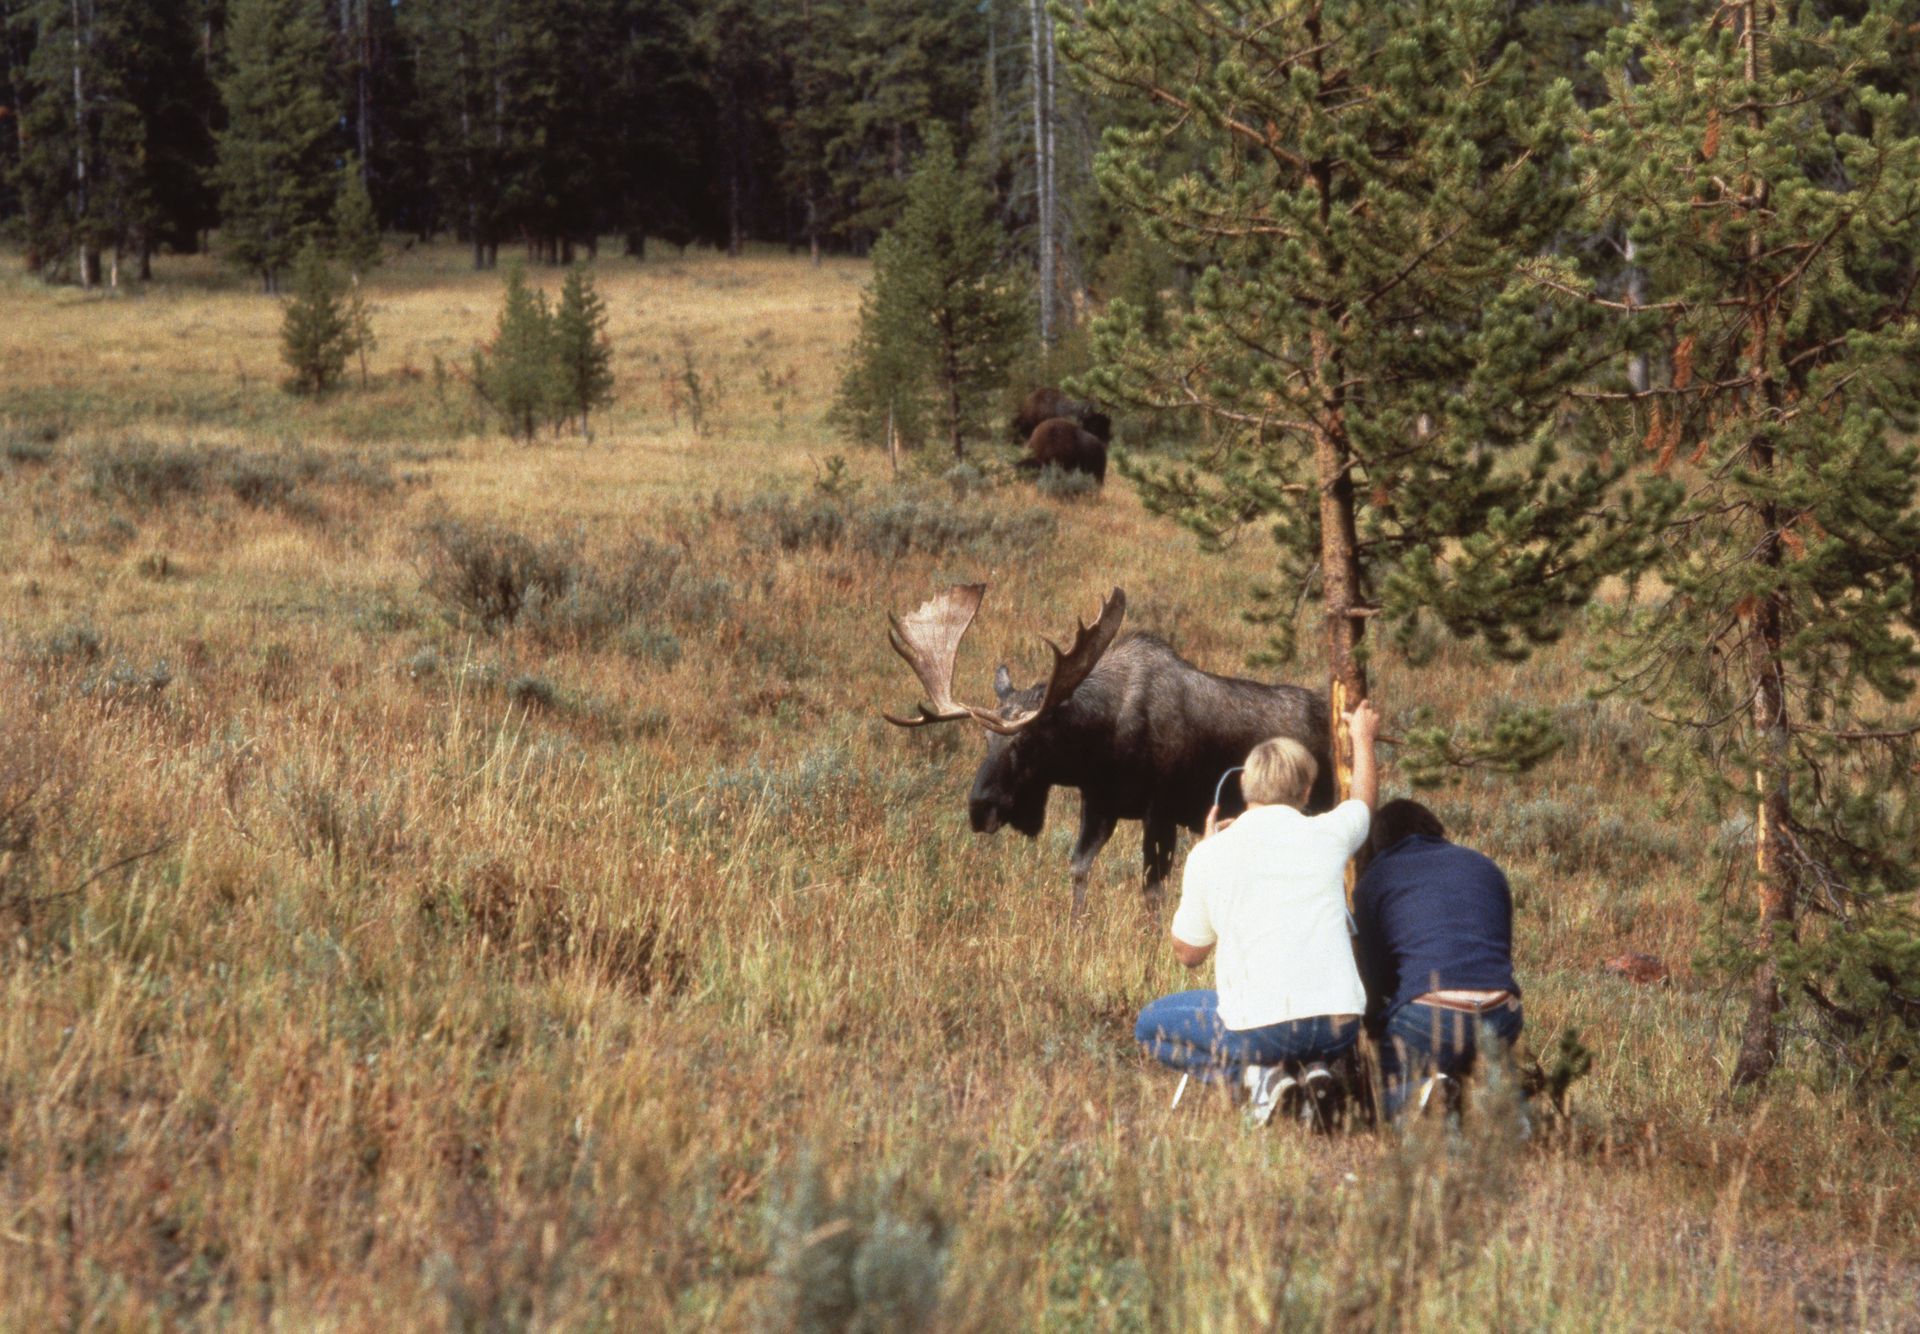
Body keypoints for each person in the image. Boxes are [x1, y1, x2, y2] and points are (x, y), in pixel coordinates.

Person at [1135, 701, 1381, 1125]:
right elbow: (1363, 803)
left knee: (1150, 1025)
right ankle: (1315, 1069)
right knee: (1303, 1025)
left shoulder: (1211, 856)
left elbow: (1188, 954)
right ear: (1306, 793)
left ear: (1245, 785)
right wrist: (1362, 738)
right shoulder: (1328, 834)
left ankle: (1256, 1077)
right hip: (1339, 1025)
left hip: (1261, 1028)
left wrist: (1202, 854)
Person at [1353, 798, 1523, 1119]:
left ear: (1378, 843)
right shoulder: (1484, 865)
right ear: (1435, 828)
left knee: (1387, 1097)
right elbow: (1500, 952)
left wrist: (1375, 1025)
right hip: (1503, 1009)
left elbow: (1374, 979)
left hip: (1430, 1014)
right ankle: (1513, 1113)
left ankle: (1423, 1095)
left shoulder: (1373, 881)